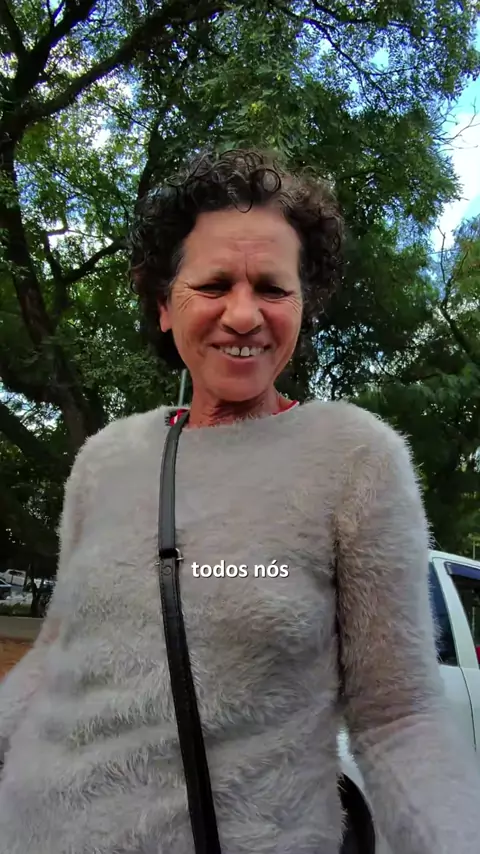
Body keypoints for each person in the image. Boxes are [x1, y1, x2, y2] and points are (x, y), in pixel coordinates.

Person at [0, 148, 479, 854]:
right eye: (215, 283)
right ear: (164, 306)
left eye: (273, 289)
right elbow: (55, 657)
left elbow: (399, 715)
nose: (245, 314)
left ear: (303, 306)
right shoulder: (106, 460)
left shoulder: (353, 458)